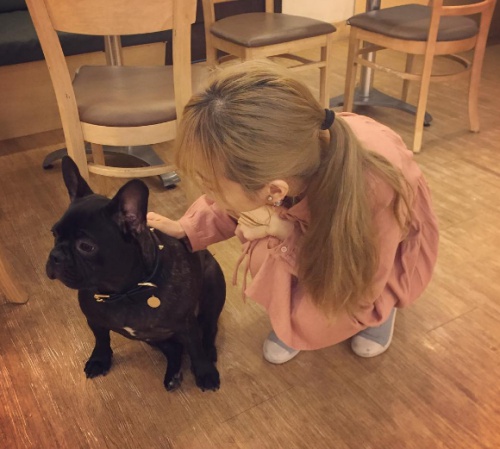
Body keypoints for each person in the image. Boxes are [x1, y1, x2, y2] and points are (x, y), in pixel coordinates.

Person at [147, 61, 439, 364]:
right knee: (268, 249)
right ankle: (293, 313)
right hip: (313, 213)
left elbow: (359, 278)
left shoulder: (373, 192)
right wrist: (188, 227)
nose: (207, 193)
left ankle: (381, 310)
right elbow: (229, 200)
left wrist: (285, 232)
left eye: (210, 184)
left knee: (348, 294)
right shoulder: (280, 163)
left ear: (275, 191)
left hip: (372, 252)